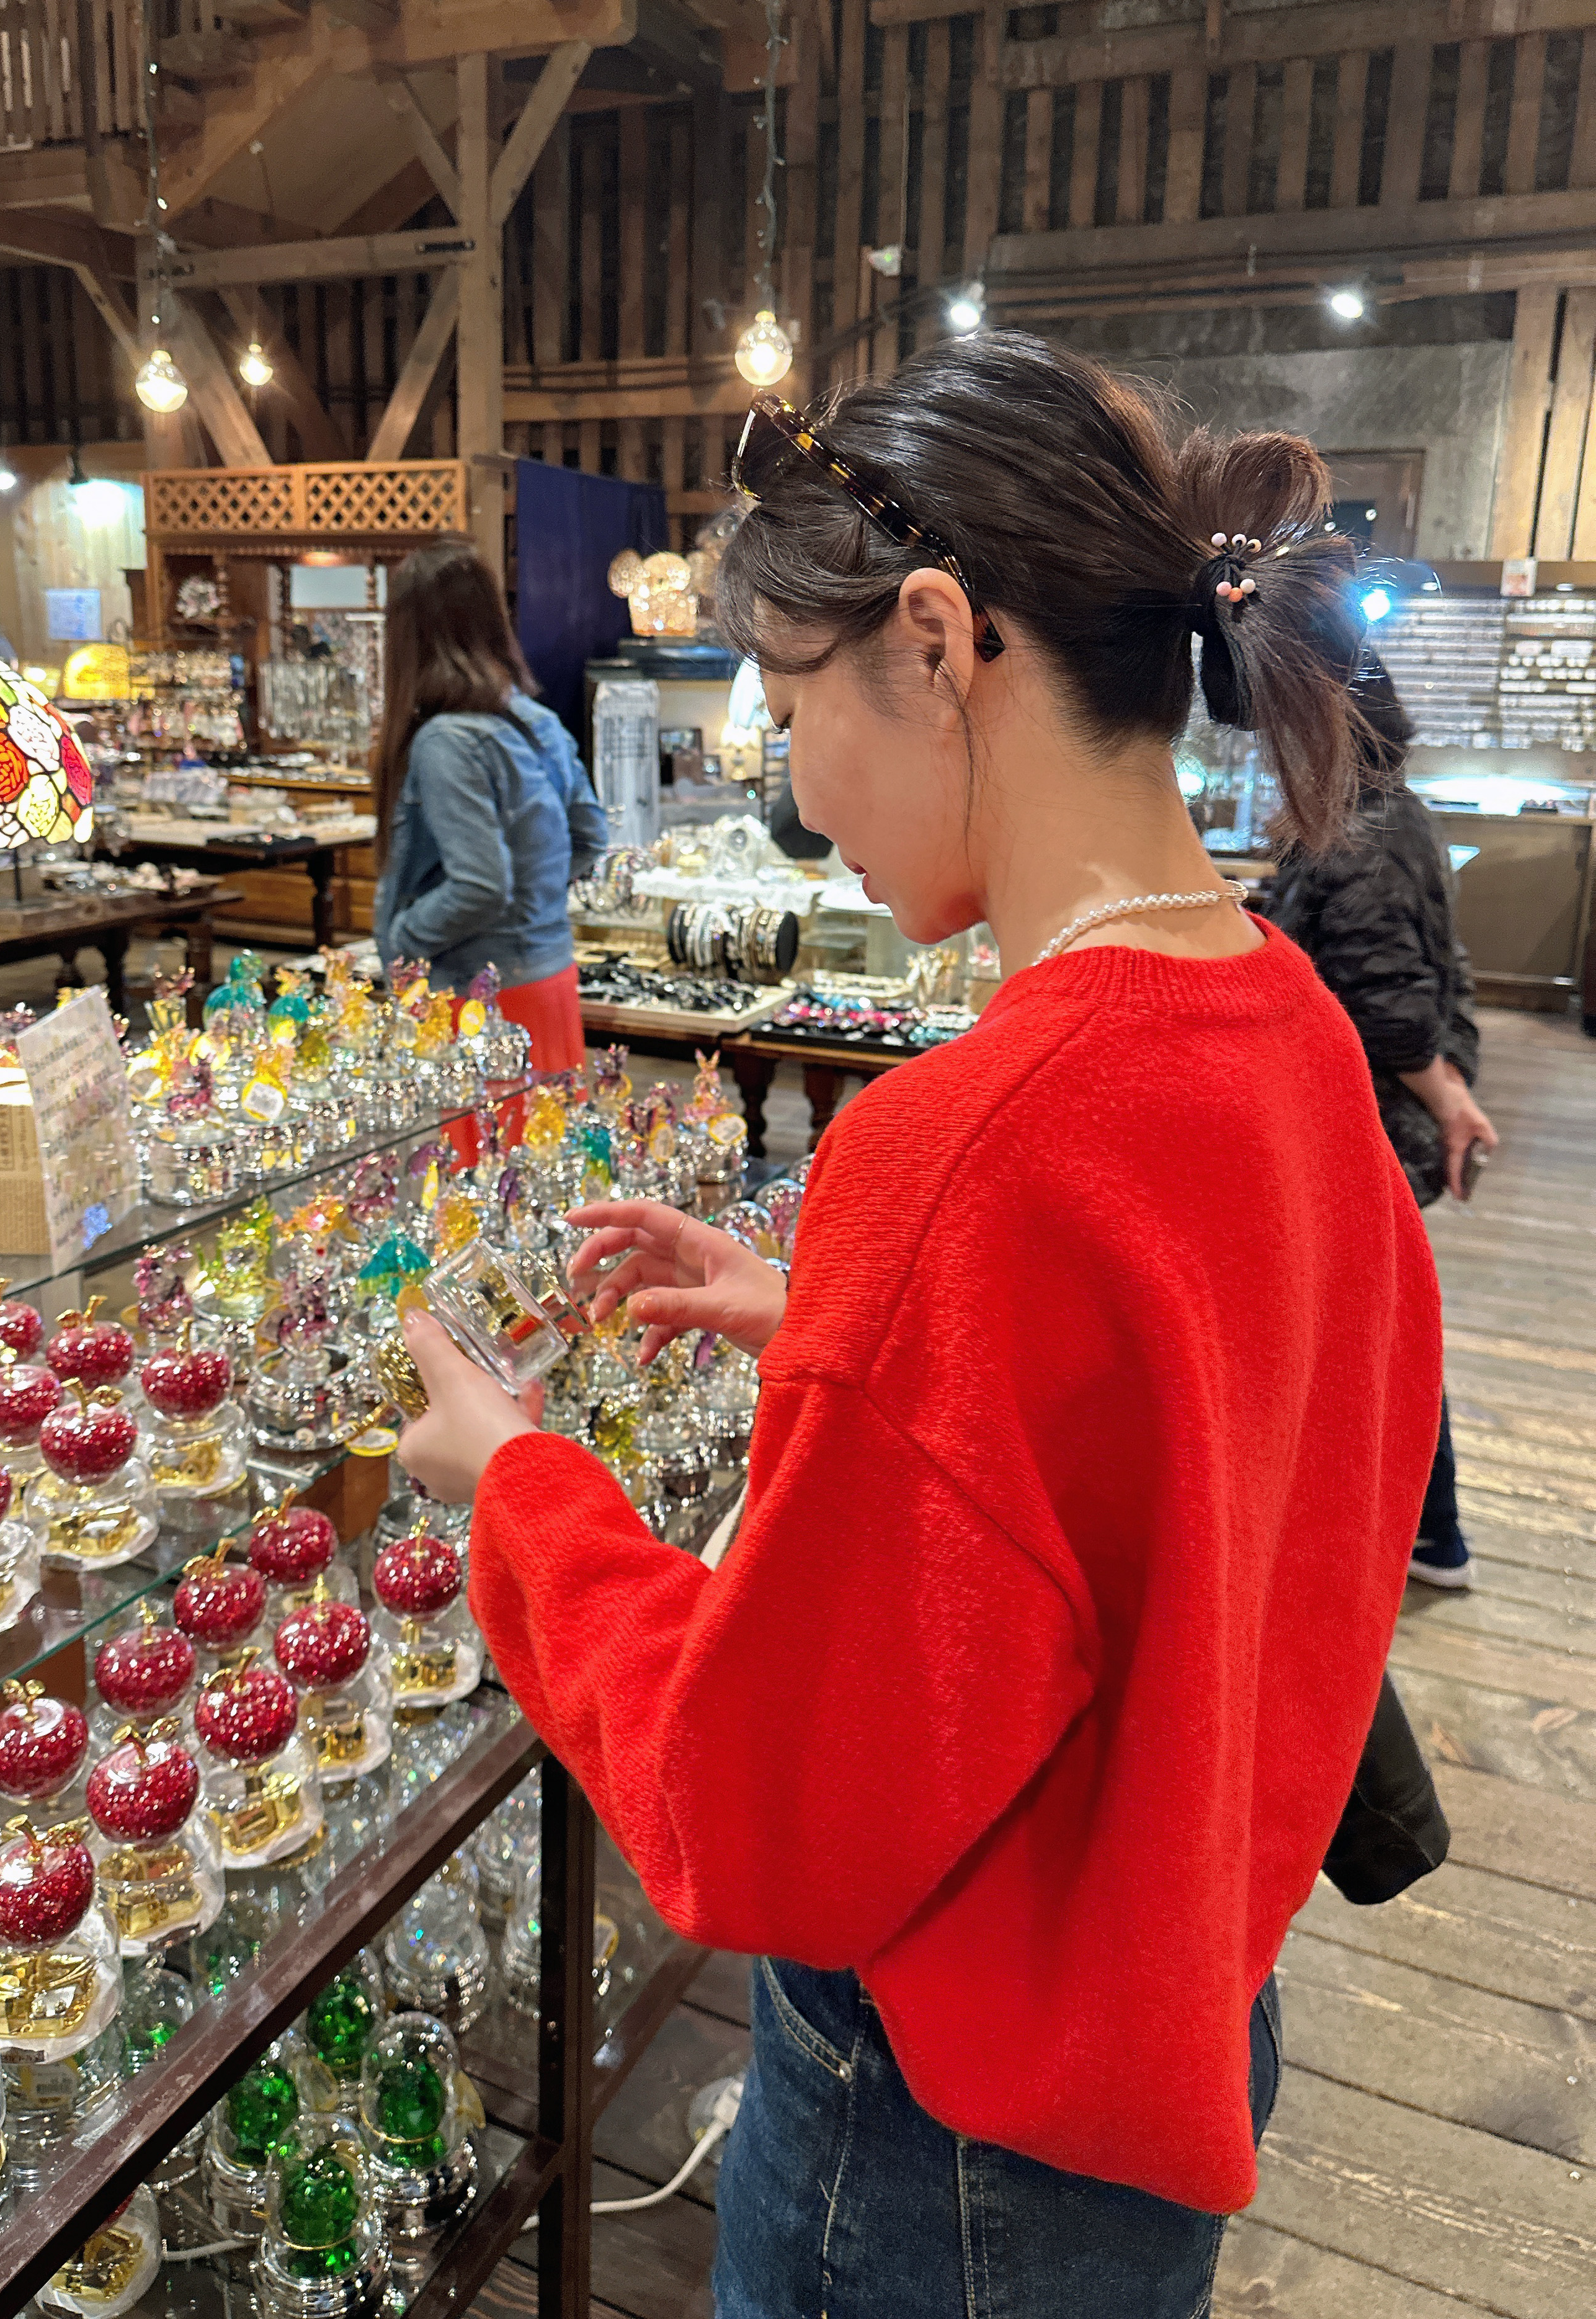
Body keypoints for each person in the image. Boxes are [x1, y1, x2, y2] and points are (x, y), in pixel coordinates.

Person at [395, 337, 1444, 2317]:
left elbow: (757, 1815)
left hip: (950, 2134)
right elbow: (1216, 1449)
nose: (796, 784)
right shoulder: (1289, 1029)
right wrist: (837, 1324)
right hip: (1175, 2011)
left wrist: (518, 1487)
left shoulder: (968, 1142)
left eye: (793, 702)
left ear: (941, 642)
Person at [1267, 651, 1495, 1591]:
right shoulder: (1397, 813)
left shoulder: (1355, 831)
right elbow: (1440, 968)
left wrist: (1448, 1099)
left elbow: (1391, 1006)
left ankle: (1424, 1534)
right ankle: (1429, 1534)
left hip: (1370, 1124)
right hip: (1385, 1119)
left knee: (1372, 1333)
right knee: (1381, 1323)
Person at [372, 534, 608, 1071]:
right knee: (548, 1123)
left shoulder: (446, 741)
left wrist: (403, 938)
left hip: (478, 997)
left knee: (482, 1128)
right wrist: (533, 900)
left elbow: (481, 884)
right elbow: (590, 837)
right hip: (548, 977)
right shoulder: (536, 721)